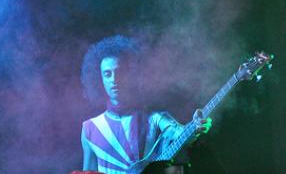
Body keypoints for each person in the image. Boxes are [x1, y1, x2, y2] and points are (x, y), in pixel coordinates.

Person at [80, 35, 212, 174]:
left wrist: (195, 127)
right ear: (99, 78)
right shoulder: (89, 129)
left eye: (120, 72)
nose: (114, 79)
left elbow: (180, 133)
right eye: (107, 74)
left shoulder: (154, 117)